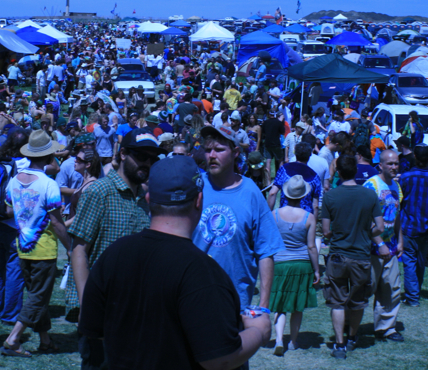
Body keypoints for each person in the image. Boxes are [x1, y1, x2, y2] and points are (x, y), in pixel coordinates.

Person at [79, 156, 271, 369]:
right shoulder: (203, 274)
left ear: (149, 199)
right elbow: (220, 359)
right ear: (199, 201)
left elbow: (96, 331)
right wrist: (258, 331)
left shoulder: (112, 255)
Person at [69, 128, 166, 369]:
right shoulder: (99, 192)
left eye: (153, 159)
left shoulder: (144, 197)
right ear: (122, 154)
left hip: (135, 309)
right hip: (103, 308)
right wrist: (87, 305)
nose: (148, 163)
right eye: (141, 156)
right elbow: (79, 251)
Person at [192, 125, 284, 311]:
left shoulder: (250, 192)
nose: (211, 156)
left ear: (235, 152)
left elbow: (266, 250)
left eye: (219, 150)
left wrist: (263, 306)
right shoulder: (194, 187)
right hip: (193, 298)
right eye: (208, 150)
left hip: (235, 303)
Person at [2, 130, 72, 356]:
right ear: (50, 156)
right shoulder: (48, 184)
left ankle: (45, 340)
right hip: (44, 249)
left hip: (23, 247)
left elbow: (9, 208)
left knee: (35, 295)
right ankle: (13, 338)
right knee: (38, 297)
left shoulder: (14, 180)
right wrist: (70, 247)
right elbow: (56, 221)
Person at [320, 154, 384, 360]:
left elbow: (326, 231)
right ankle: (352, 338)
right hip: (361, 256)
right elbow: (380, 227)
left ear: (338, 172)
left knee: (337, 301)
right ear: (356, 171)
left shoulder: (330, 196)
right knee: (357, 301)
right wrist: (366, 233)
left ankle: (339, 344)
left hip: (338, 254)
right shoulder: (369, 196)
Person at [269, 176, 320, 356]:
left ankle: (279, 339)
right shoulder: (309, 217)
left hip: (280, 264)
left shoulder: (274, 214)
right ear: (303, 196)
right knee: (297, 307)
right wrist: (316, 270)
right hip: (301, 264)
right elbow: (312, 246)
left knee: (281, 305)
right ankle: (293, 341)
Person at [0, 131, 28, 324]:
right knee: (13, 269)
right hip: (13, 222)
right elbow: (52, 166)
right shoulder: (24, 163)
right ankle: (10, 314)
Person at [363, 150, 405, 342]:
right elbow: (365, 219)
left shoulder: (397, 186)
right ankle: (349, 324)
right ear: (380, 165)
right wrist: (379, 243)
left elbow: (396, 217)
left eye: (396, 163)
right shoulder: (371, 185)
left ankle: (386, 327)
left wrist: (400, 241)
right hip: (372, 248)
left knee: (391, 288)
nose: (394, 167)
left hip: (391, 247)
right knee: (365, 288)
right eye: (390, 164)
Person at [398, 144, 428, 307]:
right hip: (426, 227)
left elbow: (399, 203)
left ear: (415, 157)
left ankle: (412, 296)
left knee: (409, 261)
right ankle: (414, 291)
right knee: (420, 260)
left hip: (407, 227)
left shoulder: (404, 178)